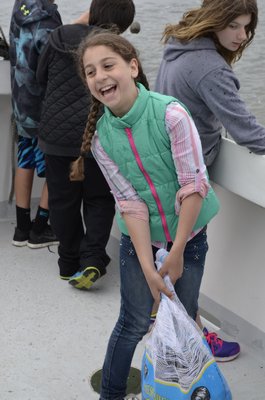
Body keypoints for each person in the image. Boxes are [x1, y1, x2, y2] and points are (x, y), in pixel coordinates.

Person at [70, 31, 220, 400]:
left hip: (190, 236)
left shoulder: (171, 114)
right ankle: (111, 394)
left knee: (184, 318)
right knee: (133, 321)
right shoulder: (102, 138)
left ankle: (184, 391)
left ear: (132, 66)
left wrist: (178, 248)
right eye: (91, 72)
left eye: (108, 65)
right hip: (140, 241)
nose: (100, 77)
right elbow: (129, 203)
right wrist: (149, 269)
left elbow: (192, 185)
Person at [155, 0, 265, 363]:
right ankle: (195, 340)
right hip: (187, 183)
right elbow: (247, 133)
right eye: (233, 25)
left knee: (172, 256)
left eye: (247, 27)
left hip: (163, 169)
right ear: (215, 20)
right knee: (188, 260)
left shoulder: (178, 49)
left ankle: (180, 328)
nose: (242, 35)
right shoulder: (210, 69)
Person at [36, 0, 135, 284]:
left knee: (62, 201)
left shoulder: (58, 37)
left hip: (56, 136)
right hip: (98, 136)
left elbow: (39, 77)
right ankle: (92, 258)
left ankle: (68, 262)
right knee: (99, 200)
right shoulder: (117, 51)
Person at [9, 0, 61, 248]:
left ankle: (21, 228)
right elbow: (55, 56)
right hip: (44, 102)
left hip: (21, 98)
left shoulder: (20, 8)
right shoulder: (48, 15)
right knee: (56, 162)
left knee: (25, 158)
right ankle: (40, 227)